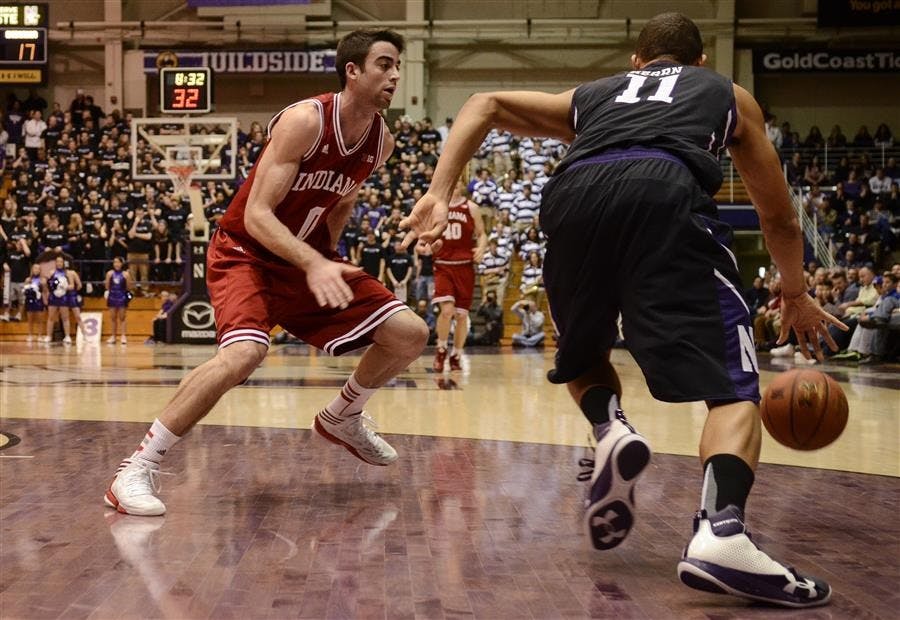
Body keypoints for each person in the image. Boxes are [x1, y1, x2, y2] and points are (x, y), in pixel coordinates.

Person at [402, 12, 845, 608]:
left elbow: (482, 102)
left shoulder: (595, 95)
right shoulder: (725, 93)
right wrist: (794, 292)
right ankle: (721, 533)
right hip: (667, 194)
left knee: (580, 354)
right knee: (733, 390)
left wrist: (439, 191)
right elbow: (779, 215)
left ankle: (609, 428)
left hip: (572, 196)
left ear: (636, 61)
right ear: (700, 63)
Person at [104, 29, 428, 517]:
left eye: (398, 66)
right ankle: (135, 468)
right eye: (384, 64)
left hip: (302, 259)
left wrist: (326, 257)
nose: (396, 75)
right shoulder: (305, 121)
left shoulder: (380, 141)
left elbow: (342, 199)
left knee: (409, 332)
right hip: (246, 252)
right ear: (353, 71)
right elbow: (257, 214)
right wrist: (314, 261)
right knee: (244, 354)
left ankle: (343, 415)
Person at [431, 179, 487, 372]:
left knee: (462, 316)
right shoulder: (439, 207)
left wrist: (481, 248)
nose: (454, 186)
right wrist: (426, 246)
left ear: (462, 186)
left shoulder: (471, 207)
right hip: (444, 265)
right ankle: (440, 349)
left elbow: (481, 234)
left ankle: (456, 354)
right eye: (451, 184)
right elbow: (428, 234)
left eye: (457, 184)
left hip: (465, 266)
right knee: (447, 311)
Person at [105, 256, 132, 344]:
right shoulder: (109, 273)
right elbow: (107, 286)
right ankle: (113, 336)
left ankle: (123, 335)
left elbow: (128, 287)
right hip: (112, 296)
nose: (116, 264)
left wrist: (125, 295)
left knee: (122, 317)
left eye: (118, 262)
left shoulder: (126, 274)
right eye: (115, 262)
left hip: (122, 296)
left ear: (121, 263)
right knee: (113, 317)